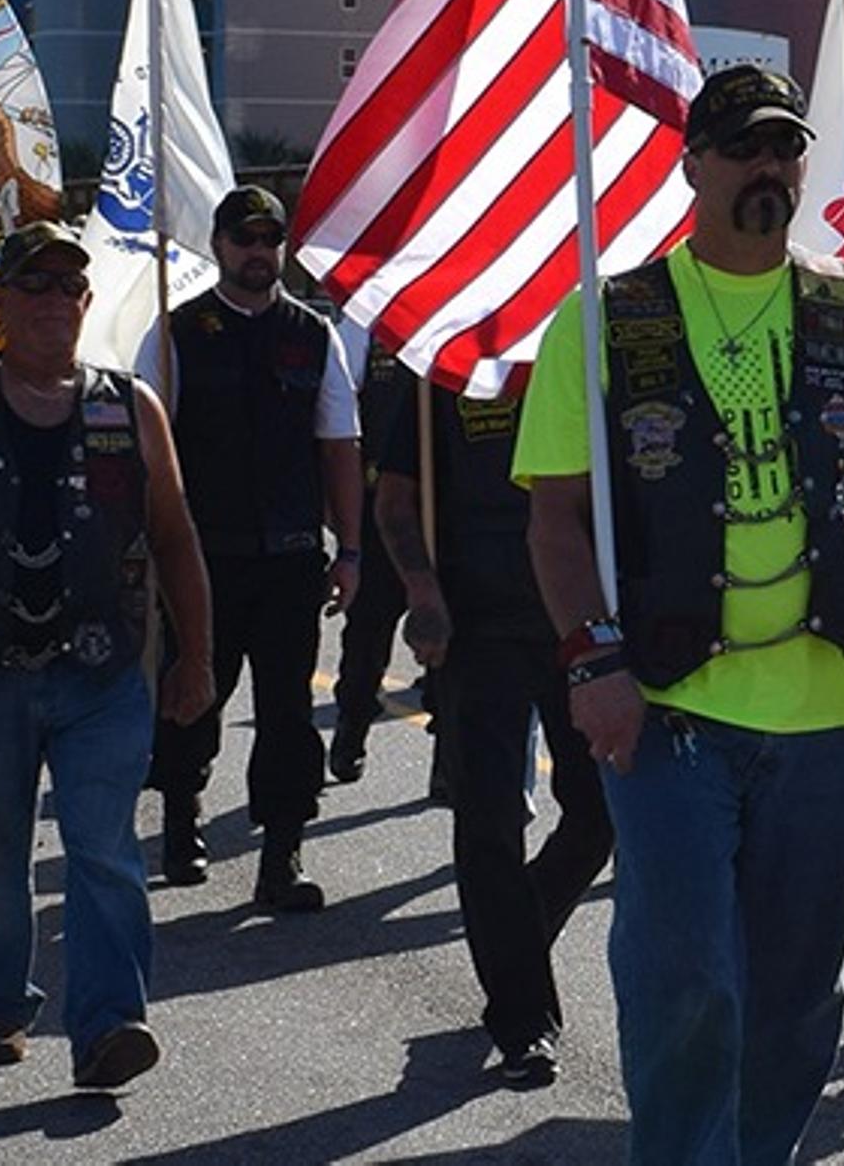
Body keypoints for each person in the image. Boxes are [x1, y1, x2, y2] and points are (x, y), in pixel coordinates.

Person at [515, 64, 844, 1163]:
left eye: (784, 147)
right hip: (667, 706)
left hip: (826, 709)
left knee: (798, 991)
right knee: (688, 970)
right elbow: (556, 518)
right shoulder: (609, 319)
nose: (767, 167)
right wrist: (589, 658)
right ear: (693, 162)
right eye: (743, 146)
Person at [0, 221, 216, 1090]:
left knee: (103, 848)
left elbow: (175, 538)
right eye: (36, 285)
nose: (55, 302)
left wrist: (197, 657)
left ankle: (109, 1024)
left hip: (102, 673)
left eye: (71, 287)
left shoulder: (129, 404)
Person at [375, 369, 611, 1086]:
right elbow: (394, 497)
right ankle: (522, 1018)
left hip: (582, 623)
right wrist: (421, 590)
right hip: (478, 630)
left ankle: (519, 937)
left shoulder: (590, 360)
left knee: (603, 814)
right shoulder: (441, 372)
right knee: (489, 822)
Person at [138, 187, 365, 911]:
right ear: (220, 246)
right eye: (244, 239)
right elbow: (150, 446)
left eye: (270, 238)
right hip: (202, 558)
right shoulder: (177, 333)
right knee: (193, 697)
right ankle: (181, 819)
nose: (258, 251)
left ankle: (282, 855)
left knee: (287, 712)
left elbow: (338, 446)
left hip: (290, 556)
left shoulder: (311, 332)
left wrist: (351, 550)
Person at [330, 333, 414, 789]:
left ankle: (449, 763)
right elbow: (342, 417)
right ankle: (352, 727)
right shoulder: (366, 326)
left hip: (445, 513)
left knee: (454, 650)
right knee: (367, 636)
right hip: (381, 511)